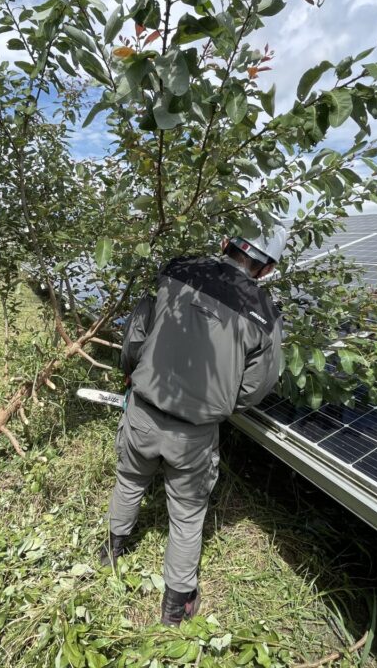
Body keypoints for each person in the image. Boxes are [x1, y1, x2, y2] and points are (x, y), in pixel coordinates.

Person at [102, 226, 286, 626]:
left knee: (129, 480)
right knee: (186, 513)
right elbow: (256, 386)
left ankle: (111, 551)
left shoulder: (178, 271)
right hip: (195, 434)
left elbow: (137, 330)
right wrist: (217, 405)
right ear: (267, 268)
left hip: (143, 411)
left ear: (226, 244)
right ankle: (176, 605)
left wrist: (134, 374)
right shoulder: (266, 315)